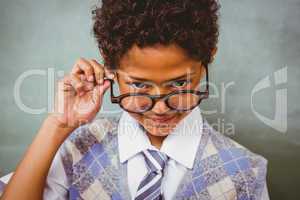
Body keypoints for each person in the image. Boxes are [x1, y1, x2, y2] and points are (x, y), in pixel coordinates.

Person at [0, 0, 269, 199]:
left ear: (208, 57)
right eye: (139, 85)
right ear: (110, 67)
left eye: (179, 83)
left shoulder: (246, 172)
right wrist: (57, 125)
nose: (161, 108)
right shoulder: (78, 149)